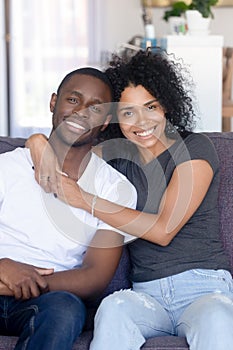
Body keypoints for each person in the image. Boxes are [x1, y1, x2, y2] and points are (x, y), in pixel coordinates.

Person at [27, 49, 233, 350]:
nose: (142, 121)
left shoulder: (194, 148)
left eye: (150, 107)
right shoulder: (116, 158)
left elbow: (164, 230)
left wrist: (84, 199)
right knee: (114, 308)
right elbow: (63, 146)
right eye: (127, 112)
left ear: (166, 106)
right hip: (147, 295)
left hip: (205, 289)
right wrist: (35, 142)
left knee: (218, 317)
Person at [0, 67, 137, 350]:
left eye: (95, 108)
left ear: (106, 120)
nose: (82, 112)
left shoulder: (116, 189)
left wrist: (26, 282)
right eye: (73, 100)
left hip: (49, 297)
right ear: (53, 102)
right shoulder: (8, 167)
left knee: (65, 310)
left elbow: (94, 276)